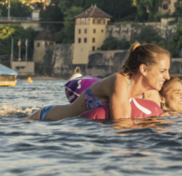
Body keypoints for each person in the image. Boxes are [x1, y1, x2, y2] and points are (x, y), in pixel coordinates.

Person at [29, 43, 171, 121]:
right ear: (144, 69)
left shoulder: (152, 96)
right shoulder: (120, 82)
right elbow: (121, 126)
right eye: (163, 71)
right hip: (46, 119)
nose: (168, 77)